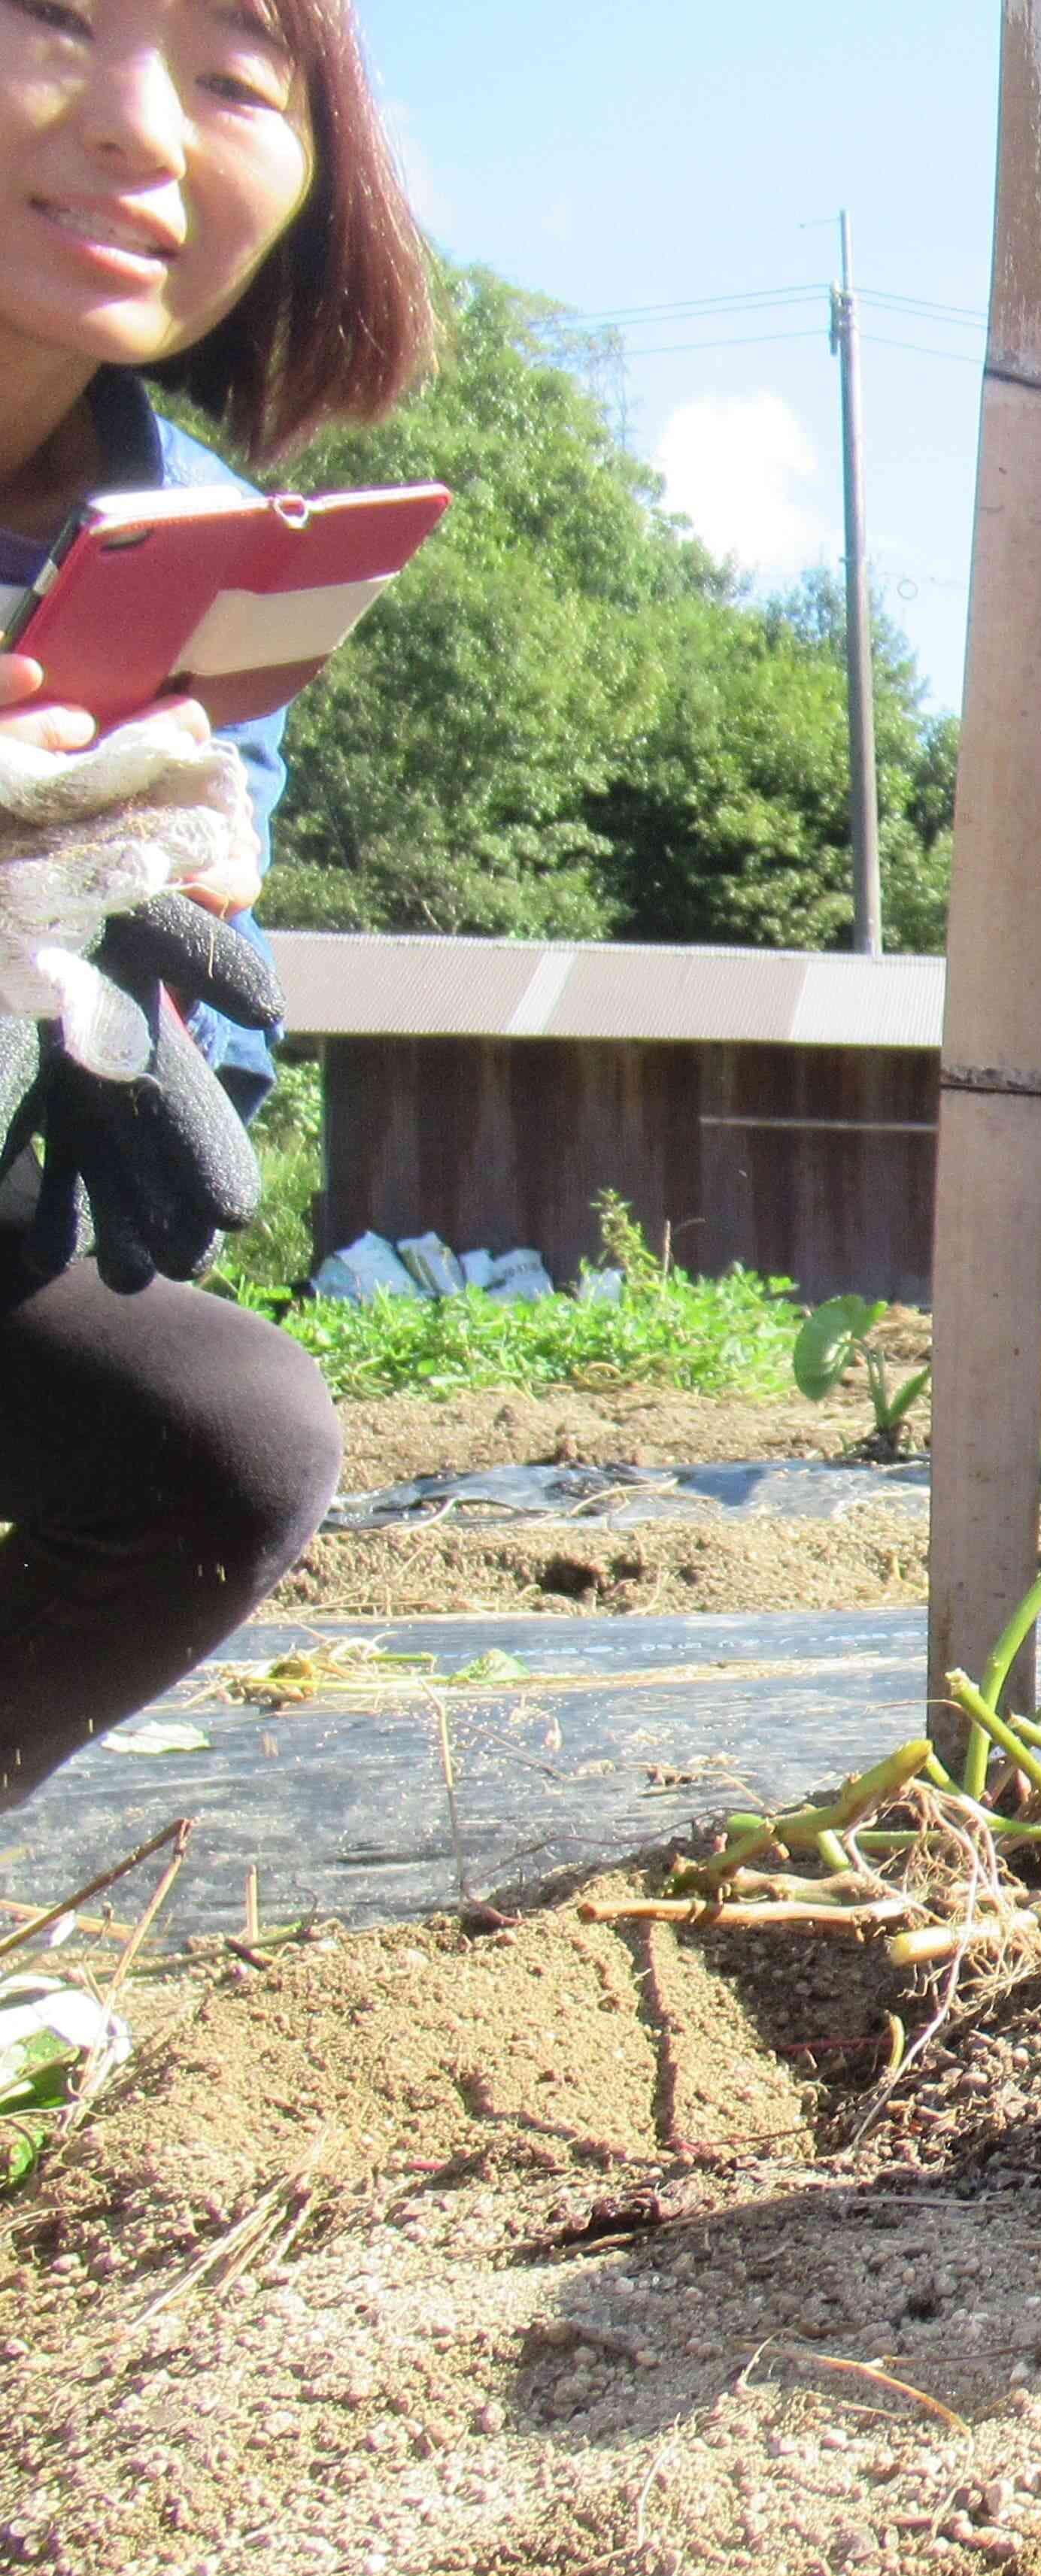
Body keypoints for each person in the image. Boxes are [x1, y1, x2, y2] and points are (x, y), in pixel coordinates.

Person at [0, 0, 441, 1812]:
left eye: (235, 78)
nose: (143, 133)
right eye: (56, 17)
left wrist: (140, 942)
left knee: (218, 1440)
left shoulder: (200, 547)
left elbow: (175, 1121)